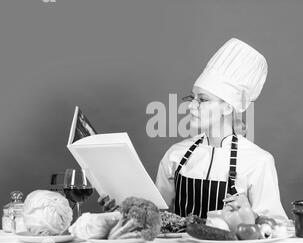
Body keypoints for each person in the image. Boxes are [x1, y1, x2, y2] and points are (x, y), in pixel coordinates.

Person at [100, 38, 287, 220]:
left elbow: (274, 225)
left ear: (228, 107)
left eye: (203, 100)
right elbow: (157, 215)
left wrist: (250, 215)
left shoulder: (258, 161)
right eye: (193, 98)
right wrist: (122, 209)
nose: (191, 106)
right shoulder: (175, 155)